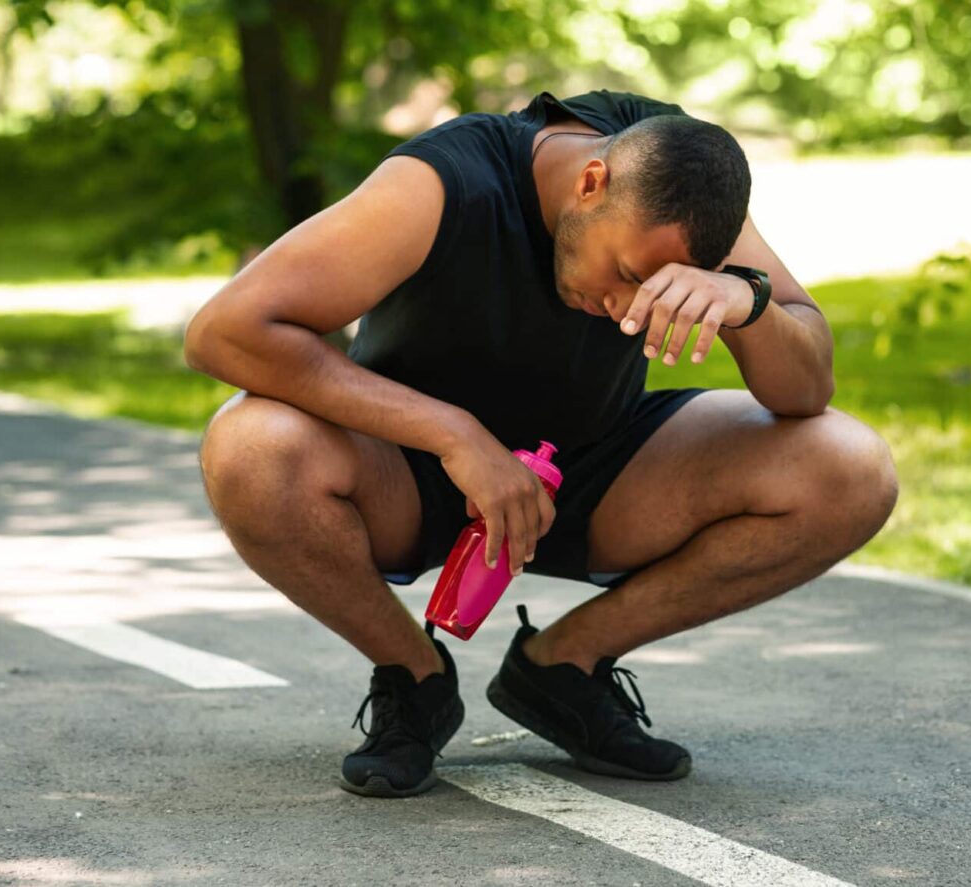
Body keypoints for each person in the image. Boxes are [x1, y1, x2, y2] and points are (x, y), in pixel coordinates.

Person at [184, 88, 898, 799]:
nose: (627, 312)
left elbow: (806, 390)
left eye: (654, 290)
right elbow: (224, 331)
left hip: (595, 470)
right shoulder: (442, 183)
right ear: (592, 183)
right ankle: (413, 678)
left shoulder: (687, 177)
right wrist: (454, 434)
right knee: (250, 447)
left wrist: (750, 302)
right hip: (407, 469)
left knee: (850, 468)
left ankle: (563, 668)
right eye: (627, 276)